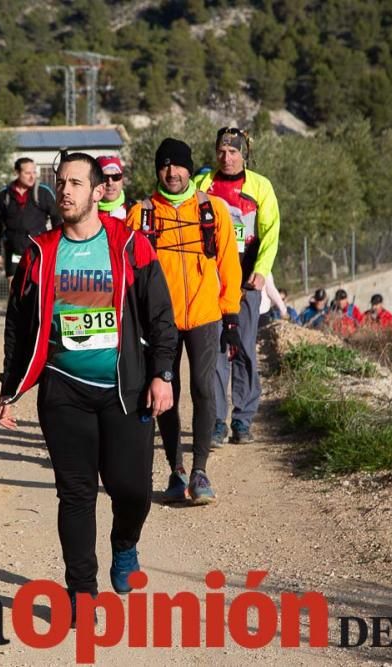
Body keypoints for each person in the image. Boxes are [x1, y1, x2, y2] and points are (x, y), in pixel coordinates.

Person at [0, 152, 177, 617]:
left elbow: (161, 318)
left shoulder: (130, 245)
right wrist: (9, 387)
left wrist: (163, 374)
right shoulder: (41, 251)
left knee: (132, 489)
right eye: (61, 183)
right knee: (75, 493)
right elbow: (18, 325)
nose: (66, 191)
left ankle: (124, 543)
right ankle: (81, 592)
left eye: (76, 183)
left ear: (99, 191)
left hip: (125, 389)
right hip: (64, 389)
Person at [127, 138, 242, 505]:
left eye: (178, 165)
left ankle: (201, 470)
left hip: (206, 316)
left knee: (205, 389)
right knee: (167, 395)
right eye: (164, 166)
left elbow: (228, 264)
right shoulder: (141, 215)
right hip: (160, 323)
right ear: (157, 170)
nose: (172, 172)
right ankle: (176, 470)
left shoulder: (214, 210)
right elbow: (130, 274)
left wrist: (231, 314)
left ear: (190, 168)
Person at [193, 127, 281, 446]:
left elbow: (271, 232)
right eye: (221, 151)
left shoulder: (260, 186)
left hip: (247, 280)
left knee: (243, 347)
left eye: (232, 152)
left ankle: (242, 419)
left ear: (243, 154)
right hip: (212, 281)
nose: (226, 158)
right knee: (215, 350)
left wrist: (261, 270)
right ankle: (216, 419)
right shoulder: (202, 186)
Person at [0, 157, 59, 283]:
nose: (32, 177)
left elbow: (57, 218)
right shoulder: (5, 195)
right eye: (27, 173)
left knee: (37, 285)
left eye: (34, 172)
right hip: (14, 250)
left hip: (38, 249)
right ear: (17, 173)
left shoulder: (43, 193)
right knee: (14, 285)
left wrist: (57, 244)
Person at [95, 155, 132, 225]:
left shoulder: (134, 210)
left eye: (116, 177)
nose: (110, 183)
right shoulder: (86, 212)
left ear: (122, 179)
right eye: (104, 178)